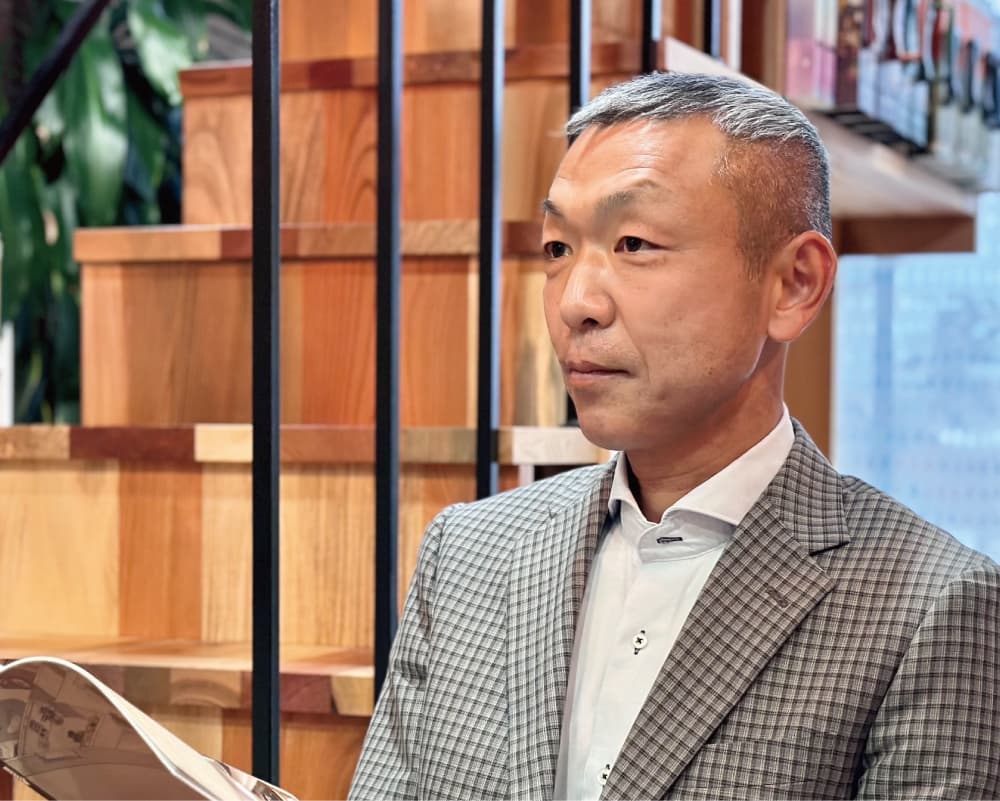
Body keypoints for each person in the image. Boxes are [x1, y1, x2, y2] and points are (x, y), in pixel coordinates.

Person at [347, 72, 1000, 800]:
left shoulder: (933, 604)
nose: (575, 302)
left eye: (634, 243)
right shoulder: (469, 552)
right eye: (557, 248)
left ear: (794, 284)